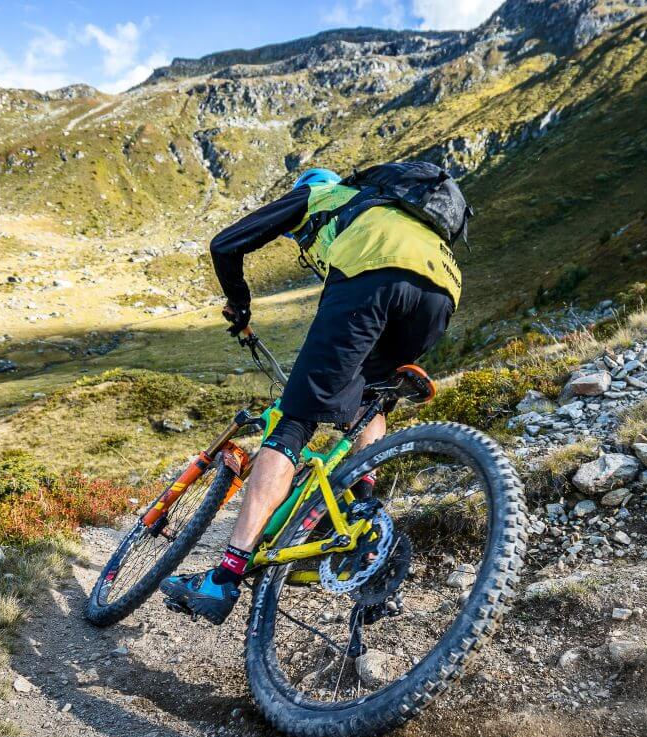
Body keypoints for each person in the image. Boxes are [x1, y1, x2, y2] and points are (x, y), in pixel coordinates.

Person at [159, 166, 462, 624]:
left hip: (375, 270)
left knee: (294, 420)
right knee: (370, 399)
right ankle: (365, 514)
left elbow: (225, 244)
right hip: (442, 290)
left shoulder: (318, 196)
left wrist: (239, 307)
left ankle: (224, 577)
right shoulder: (382, 209)